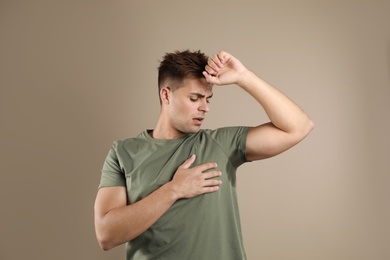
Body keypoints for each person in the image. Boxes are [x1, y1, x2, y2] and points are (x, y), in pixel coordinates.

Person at [94, 50, 314, 259]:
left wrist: (244, 77)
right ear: (166, 95)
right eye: (195, 98)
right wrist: (173, 190)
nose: (205, 107)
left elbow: (298, 126)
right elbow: (106, 235)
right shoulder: (123, 152)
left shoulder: (221, 144)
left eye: (208, 99)